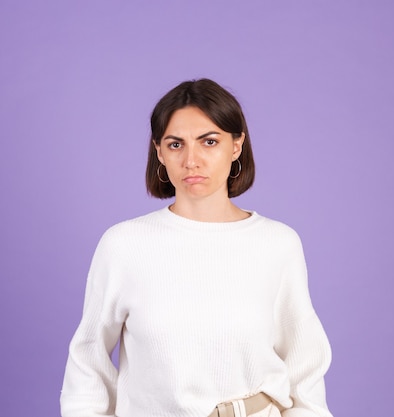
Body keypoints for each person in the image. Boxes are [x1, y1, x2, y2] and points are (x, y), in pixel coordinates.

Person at [60, 79, 333, 417]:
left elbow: (304, 371)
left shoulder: (278, 244)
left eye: (209, 141)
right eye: (176, 145)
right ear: (159, 151)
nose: (192, 160)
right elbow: (88, 362)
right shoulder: (124, 245)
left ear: (236, 146)